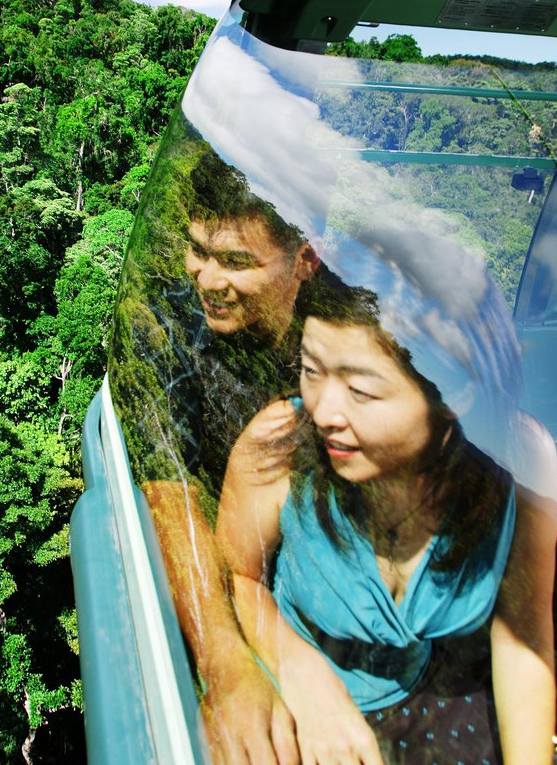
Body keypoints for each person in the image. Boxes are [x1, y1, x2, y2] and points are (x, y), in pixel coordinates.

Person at [217, 246, 557, 765]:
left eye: (361, 389)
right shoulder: (279, 444)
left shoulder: (519, 462)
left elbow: (524, 634)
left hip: (429, 699)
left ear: (452, 395)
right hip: (291, 694)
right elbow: (233, 578)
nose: (324, 411)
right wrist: (298, 670)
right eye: (311, 370)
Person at [111, 144, 321, 764]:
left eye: (234, 261)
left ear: (304, 260)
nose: (205, 278)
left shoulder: (338, 323)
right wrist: (223, 661)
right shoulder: (166, 326)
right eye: (197, 251)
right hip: (236, 569)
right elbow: (167, 488)